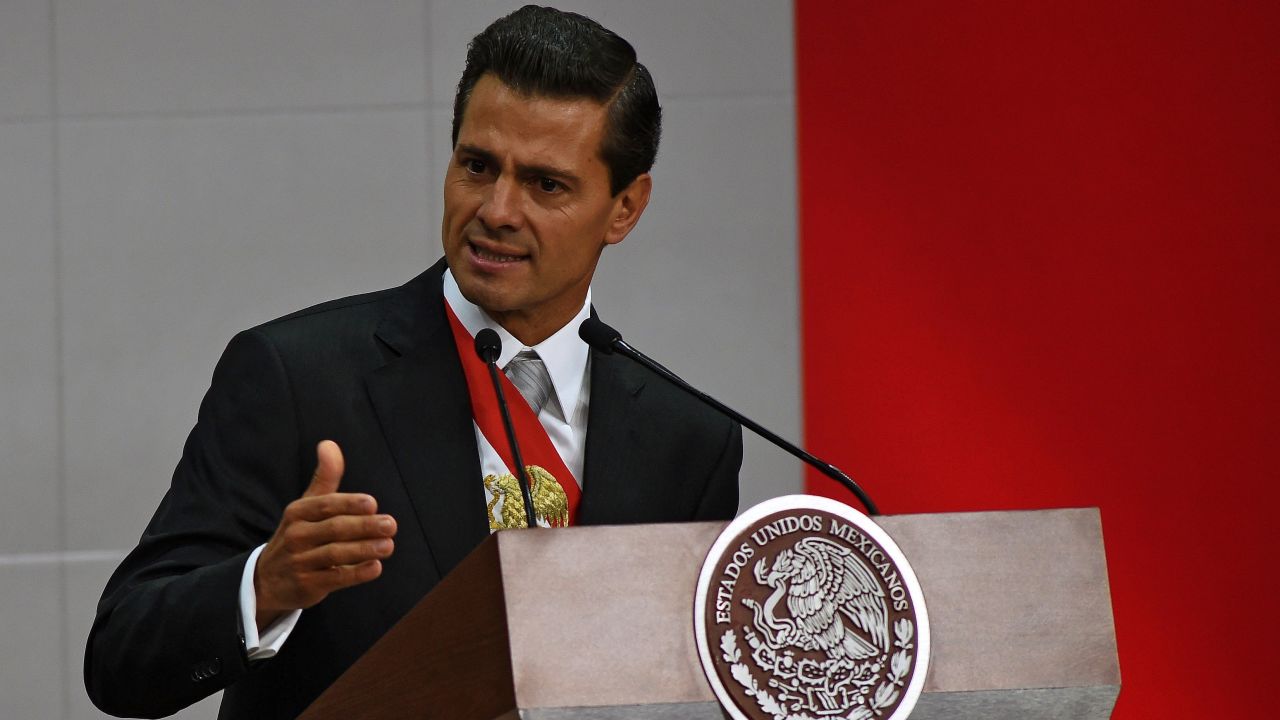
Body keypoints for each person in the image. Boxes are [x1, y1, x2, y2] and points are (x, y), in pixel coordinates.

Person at [84, 6, 741, 719]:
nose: (496, 209)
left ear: (625, 208)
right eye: (477, 165)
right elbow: (120, 658)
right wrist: (263, 587)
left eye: (545, 185)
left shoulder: (690, 441)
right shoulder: (297, 378)